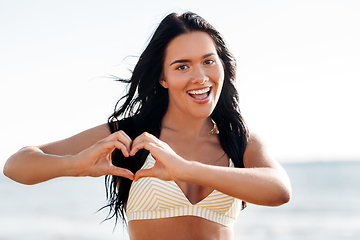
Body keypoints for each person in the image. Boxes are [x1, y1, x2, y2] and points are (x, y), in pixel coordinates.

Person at [3, 12, 291, 240]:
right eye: (182, 66)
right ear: (162, 78)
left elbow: (279, 191)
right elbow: (17, 165)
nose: (200, 76)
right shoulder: (130, 137)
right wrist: (75, 165)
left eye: (208, 61)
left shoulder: (241, 140)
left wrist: (185, 169)